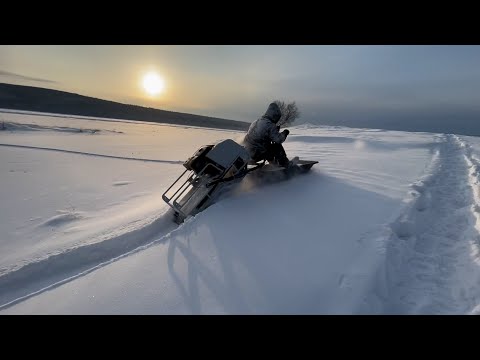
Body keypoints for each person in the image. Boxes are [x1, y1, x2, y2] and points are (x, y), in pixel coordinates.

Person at [242, 102, 297, 167]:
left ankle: (273, 163)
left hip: (247, 153)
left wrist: (274, 131)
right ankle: (286, 164)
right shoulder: (269, 125)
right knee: (276, 146)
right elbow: (278, 139)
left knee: (267, 146)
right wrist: (285, 133)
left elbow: (259, 136)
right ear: (274, 116)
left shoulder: (256, 121)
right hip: (256, 154)